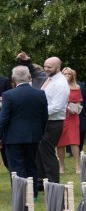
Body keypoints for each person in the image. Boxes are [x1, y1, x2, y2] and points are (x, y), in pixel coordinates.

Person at [0, 66, 48, 194]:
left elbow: (3, 119)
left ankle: (21, 194)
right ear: (29, 78)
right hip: (33, 135)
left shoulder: (8, 95)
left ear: (13, 79)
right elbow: (44, 117)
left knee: (16, 167)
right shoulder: (39, 93)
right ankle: (33, 194)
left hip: (13, 137)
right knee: (31, 165)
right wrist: (40, 133)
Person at [36, 56, 68, 189]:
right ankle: (42, 182)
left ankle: (54, 183)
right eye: (45, 66)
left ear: (58, 68)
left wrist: (37, 112)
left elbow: (57, 107)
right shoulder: (50, 79)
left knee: (48, 153)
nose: (46, 68)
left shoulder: (60, 83)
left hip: (53, 123)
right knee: (40, 151)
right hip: (45, 121)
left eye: (49, 66)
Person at [56, 67, 84, 174]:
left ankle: (77, 166)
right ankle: (62, 166)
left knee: (74, 141)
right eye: (65, 73)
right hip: (60, 117)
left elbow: (79, 103)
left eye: (69, 74)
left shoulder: (76, 87)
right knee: (60, 143)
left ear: (72, 76)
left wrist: (75, 107)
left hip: (72, 118)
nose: (67, 75)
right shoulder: (57, 87)